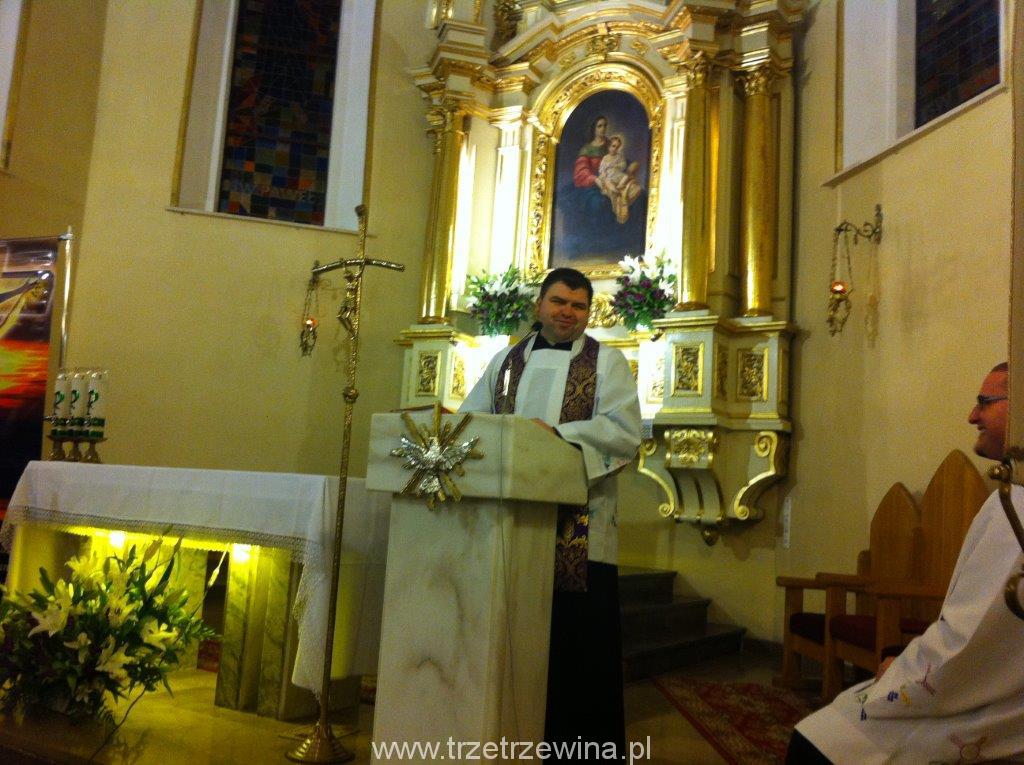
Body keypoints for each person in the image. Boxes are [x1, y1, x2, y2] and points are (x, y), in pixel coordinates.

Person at [787, 362, 1024, 764]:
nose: (972, 416)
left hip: (981, 703)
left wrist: (901, 671)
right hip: (984, 691)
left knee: (816, 745)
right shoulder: (1010, 492)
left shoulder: (1017, 501)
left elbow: (968, 640)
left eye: (985, 402)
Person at [459, 267, 642, 761]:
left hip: (578, 528)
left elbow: (624, 433)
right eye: (559, 301)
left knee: (577, 647)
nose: (568, 312)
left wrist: (558, 435)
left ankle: (579, 752)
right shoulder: (505, 361)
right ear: (539, 305)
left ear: (588, 313)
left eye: (579, 306)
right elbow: (471, 422)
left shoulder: (606, 363)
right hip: (507, 519)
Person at [596, 135, 643, 224]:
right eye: (613, 146)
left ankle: (621, 187)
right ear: (609, 146)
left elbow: (623, 165)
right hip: (609, 176)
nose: (615, 149)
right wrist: (604, 173)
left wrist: (617, 165)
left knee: (626, 177)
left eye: (617, 147)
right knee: (607, 182)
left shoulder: (619, 156)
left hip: (618, 175)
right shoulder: (605, 158)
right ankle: (616, 191)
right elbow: (601, 169)